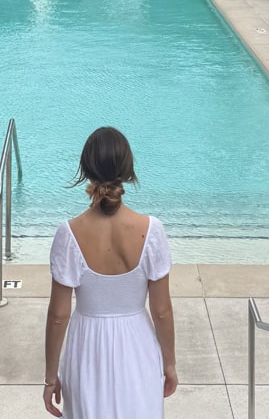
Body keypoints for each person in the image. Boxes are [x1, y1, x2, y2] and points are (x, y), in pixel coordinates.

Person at [43, 127, 176, 418]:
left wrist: (51, 376)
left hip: (86, 348)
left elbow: (58, 315)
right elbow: (162, 310)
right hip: (137, 345)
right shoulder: (152, 231)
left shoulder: (69, 234)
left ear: (86, 169)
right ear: (128, 170)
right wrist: (169, 364)